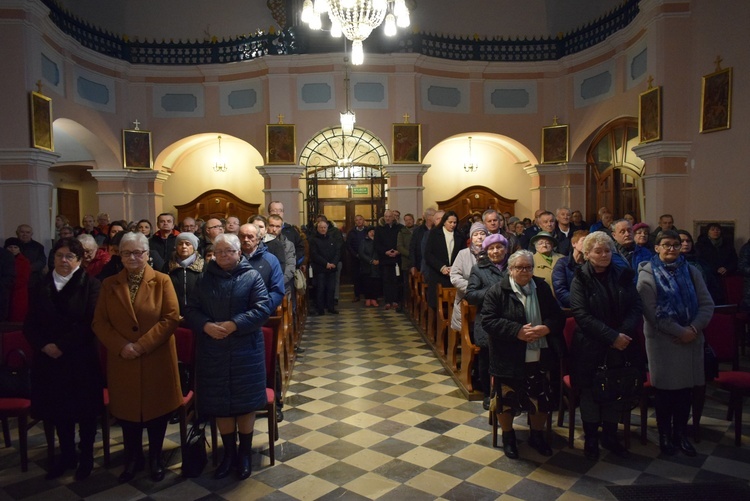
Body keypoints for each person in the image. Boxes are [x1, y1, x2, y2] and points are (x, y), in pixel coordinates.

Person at [92, 231, 182, 483]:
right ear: (119, 255)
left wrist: (141, 346)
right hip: (123, 360)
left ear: (147, 254)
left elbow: (171, 318)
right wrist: (122, 346)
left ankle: (155, 458)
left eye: (138, 253)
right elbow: (99, 322)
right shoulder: (109, 284)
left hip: (156, 358)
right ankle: (133, 458)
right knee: (128, 413)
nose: (132, 257)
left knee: (157, 412)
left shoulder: (162, 280)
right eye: (126, 253)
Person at [184, 233, 273, 480]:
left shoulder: (251, 276)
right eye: (219, 251)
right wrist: (206, 326)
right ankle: (228, 454)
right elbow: (190, 310)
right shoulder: (203, 279)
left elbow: (262, 308)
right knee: (221, 404)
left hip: (246, 349)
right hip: (213, 349)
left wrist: (235, 324)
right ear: (213, 254)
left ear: (239, 253)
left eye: (229, 251)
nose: (224, 255)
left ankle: (244, 454)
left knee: (245, 403)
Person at [23, 237, 103, 480]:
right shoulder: (40, 284)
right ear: (53, 258)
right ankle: (67, 455)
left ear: (80, 260)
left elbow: (89, 322)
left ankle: (86, 457)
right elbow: (30, 323)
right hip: (49, 360)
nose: (64, 260)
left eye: (70, 256)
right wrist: (44, 345)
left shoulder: (91, 285)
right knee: (59, 411)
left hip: (79, 357)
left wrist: (61, 345)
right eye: (60, 255)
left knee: (85, 411)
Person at [481, 249, 565, 459]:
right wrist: (517, 331)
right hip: (508, 356)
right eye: (520, 267)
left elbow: (557, 316)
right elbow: (488, 321)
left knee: (540, 398)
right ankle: (508, 436)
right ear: (510, 270)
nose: (525, 271)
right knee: (506, 401)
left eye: (528, 267)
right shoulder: (497, 291)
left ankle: (536, 436)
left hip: (539, 355)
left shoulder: (542, 288)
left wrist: (546, 328)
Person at [637, 230, 714, 456]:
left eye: (676, 245)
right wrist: (679, 331)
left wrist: (692, 329)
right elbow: (652, 313)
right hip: (664, 342)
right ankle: (664, 435)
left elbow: (707, 304)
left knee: (684, 393)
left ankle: (680, 434)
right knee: (665, 393)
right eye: (666, 245)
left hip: (690, 340)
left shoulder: (691, 272)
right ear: (657, 248)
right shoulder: (647, 274)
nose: (671, 248)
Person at [570, 231, 644, 460]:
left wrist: (622, 334)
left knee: (616, 387)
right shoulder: (580, 279)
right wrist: (611, 336)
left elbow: (635, 306)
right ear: (587, 253)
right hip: (591, 345)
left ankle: (610, 436)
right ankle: (591, 437)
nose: (604, 255)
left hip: (621, 343)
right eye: (598, 251)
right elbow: (582, 315)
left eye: (607, 250)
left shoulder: (622, 275)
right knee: (592, 391)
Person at [465, 233, 510, 408]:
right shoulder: (479, 269)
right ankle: (487, 393)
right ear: (486, 251)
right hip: (487, 320)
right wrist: (494, 290)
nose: (495, 251)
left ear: (506, 249)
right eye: (491, 248)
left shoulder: (513, 266)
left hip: (510, 318)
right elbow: (471, 295)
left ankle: (507, 391)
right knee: (486, 358)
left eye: (499, 247)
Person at [450, 222, 488, 336]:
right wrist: (472, 288)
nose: (479, 237)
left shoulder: (491, 253)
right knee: (467, 332)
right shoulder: (463, 254)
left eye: (482, 234)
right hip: (465, 298)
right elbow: (455, 276)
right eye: (476, 234)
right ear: (471, 237)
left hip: (486, 299)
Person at [238, 223, 285, 313]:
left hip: (262, 311)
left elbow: (277, 291)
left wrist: (261, 309)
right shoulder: (233, 259)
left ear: (258, 239)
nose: (245, 239)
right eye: (242, 236)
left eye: (250, 236)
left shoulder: (271, 260)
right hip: (237, 312)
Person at [424, 210, 462, 313]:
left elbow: (462, 255)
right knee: (438, 304)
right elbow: (428, 254)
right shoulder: (435, 233)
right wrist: (442, 267)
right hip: (438, 274)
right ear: (444, 221)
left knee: (453, 305)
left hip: (454, 274)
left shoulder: (459, 235)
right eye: (450, 222)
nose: (453, 225)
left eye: (455, 222)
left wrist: (454, 268)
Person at [678, 230, 724, 305]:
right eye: (682, 241)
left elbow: (711, 282)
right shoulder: (672, 263)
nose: (686, 244)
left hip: (704, 300)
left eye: (688, 241)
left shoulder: (700, 261)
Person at [168, 232, 204, 315]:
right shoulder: (168, 266)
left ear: (194, 247)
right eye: (180, 244)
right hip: (174, 313)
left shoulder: (203, 266)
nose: (184, 247)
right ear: (176, 247)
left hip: (198, 314)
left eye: (188, 244)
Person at [309, 220, 340, 315]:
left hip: (332, 268)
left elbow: (337, 252)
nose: (323, 229)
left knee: (331, 289)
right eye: (321, 227)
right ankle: (320, 309)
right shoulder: (313, 240)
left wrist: (334, 263)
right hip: (320, 268)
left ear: (327, 228)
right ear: (317, 229)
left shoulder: (332, 238)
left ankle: (331, 308)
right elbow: (314, 254)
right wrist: (325, 263)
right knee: (320, 289)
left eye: (324, 227)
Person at [552, 230, 589, 308]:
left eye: (588, 241)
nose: (586, 244)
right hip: (569, 307)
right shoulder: (562, 263)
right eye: (583, 240)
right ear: (574, 244)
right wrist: (579, 303)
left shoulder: (590, 264)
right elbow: (560, 290)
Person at [375, 210, 403, 310]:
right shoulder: (379, 229)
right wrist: (385, 252)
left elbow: (402, 242)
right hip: (385, 259)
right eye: (385, 216)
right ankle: (387, 301)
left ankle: (395, 300)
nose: (387, 218)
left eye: (389, 216)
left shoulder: (399, 228)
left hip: (396, 259)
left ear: (393, 217)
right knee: (386, 280)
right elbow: (377, 244)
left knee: (396, 280)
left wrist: (397, 251)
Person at [3, 238, 30, 322]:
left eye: (15, 247)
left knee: (16, 317)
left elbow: (23, 278)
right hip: (3, 291)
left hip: (18, 293)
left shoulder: (24, 261)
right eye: (10, 247)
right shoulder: (3, 260)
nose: (12, 249)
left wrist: (8, 285)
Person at [358, 226, 381, 306]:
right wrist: (371, 261)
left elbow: (381, 251)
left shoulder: (378, 241)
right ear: (367, 233)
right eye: (370, 231)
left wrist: (378, 260)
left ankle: (374, 299)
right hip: (367, 265)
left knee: (375, 283)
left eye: (373, 231)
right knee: (367, 283)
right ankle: (368, 299)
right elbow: (361, 253)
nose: (372, 233)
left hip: (377, 265)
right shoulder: (363, 241)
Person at [348, 215, 368, 302]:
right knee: (356, 277)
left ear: (363, 220)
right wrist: (355, 255)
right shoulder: (351, 232)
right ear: (355, 222)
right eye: (357, 220)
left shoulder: (367, 230)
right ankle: (357, 295)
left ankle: (368, 295)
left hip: (367, 258)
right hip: (355, 258)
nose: (359, 221)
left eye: (360, 219)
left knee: (367, 276)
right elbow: (348, 245)